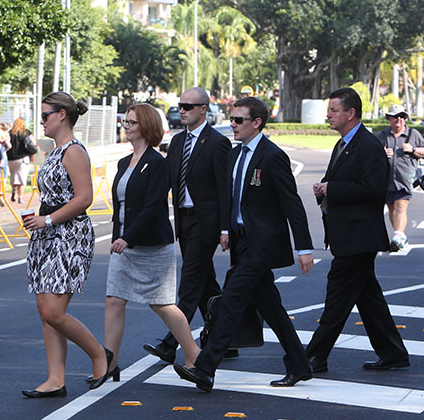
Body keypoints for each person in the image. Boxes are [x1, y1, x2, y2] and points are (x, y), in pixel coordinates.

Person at [174, 96, 315, 392]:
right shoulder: (236, 154)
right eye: (231, 118)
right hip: (242, 242)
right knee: (271, 308)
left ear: (256, 123)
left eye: (238, 120)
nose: (232, 125)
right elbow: (232, 199)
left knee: (232, 300)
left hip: (263, 245)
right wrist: (227, 231)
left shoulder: (272, 156)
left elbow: (292, 204)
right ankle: (300, 364)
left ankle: (205, 368)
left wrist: (303, 247)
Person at [307, 87, 409, 372]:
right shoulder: (343, 143)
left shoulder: (368, 145)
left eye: (334, 110)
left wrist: (332, 188)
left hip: (359, 237)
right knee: (369, 299)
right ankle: (393, 353)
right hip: (348, 234)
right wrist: (324, 188)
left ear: (350, 113)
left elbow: (375, 190)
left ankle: (315, 356)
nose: (328, 115)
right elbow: (342, 180)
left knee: (337, 299)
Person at [101, 104, 200, 381]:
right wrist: (120, 237)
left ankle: (195, 355)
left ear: (145, 126)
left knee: (161, 303)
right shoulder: (124, 162)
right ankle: (110, 363)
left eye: (132, 122)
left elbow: (153, 206)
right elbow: (122, 205)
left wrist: (127, 238)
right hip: (124, 245)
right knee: (114, 300)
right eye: (125, 122)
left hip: (151, 246)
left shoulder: (158, 164)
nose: (126, 126)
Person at [22, 92, 110, 398]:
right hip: (47, 234)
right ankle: (55, 378)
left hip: (68, 235)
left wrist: (47, 220)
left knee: (55, 311)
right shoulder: (54, 152)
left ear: (61, 115)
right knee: (44, 310)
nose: (42, 121)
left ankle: (101, 357)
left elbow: (84, 198)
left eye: (45, 115)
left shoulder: (74, 152)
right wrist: (40, 218)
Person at [142, 86, 231, 365]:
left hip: (207, 223)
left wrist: (225, 228)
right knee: (206, 285)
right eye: (180, 105)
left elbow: (225, 190)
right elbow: (168, 180)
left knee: (190, 284)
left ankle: (171, 343)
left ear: (203, 109)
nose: (181, 110)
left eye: (188, 106)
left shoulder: (217, 143)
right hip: (184, 220)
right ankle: (226, 339)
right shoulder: (178, 142)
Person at [375, 105, 424, 252]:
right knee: (391, 207)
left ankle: (397, 236)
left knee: (400, 206)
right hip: (385, 179)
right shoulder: (382, 135)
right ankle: (400, 235)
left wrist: (413, 150)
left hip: (405, 178)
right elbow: (369, 153)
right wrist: (382, 153)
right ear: (389, 118)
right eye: (395, 116)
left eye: (401, 116)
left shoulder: (413, 134)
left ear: (405, 119)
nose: (398, 119)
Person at [6, 117, 38, 204]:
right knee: (22, 178)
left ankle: (13, 190)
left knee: (14, 176)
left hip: (11, 159)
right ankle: (20, 197)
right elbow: (33, 143)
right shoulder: (26, 132)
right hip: (23, 158)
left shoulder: (10, 133)